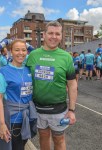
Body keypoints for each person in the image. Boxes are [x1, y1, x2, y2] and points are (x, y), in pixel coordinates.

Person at [27, 21, 77, 150]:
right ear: (44, 34)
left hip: (58, 110)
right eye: (50, 33)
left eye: (57, 34)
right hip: (38, 108)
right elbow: (23, 78)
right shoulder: (33, 55)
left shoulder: (66, 57)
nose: (53, 37)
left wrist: (71, 110)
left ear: (61, 36)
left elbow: (72, 84)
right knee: (43, 136)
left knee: (59, 139)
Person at [0, 39, 37, 150]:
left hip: (27, 118)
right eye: (17, 50)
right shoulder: (3, 72)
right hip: (13, 121)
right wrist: (2, 124)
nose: (21, 53)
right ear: (11, 52)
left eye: (24, 50)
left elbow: (35, 51)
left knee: (21, 145)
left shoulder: (29, 69)